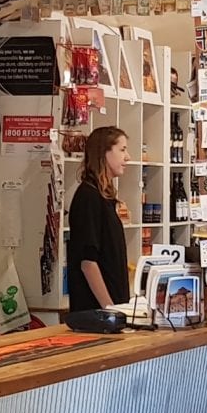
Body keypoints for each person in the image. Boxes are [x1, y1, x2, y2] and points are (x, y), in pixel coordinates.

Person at [68, 126, 131, 312]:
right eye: (122, 150)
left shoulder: (103, 197)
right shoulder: (89, 197)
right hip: (96, 313)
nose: (127, 157)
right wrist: (110, 309)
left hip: (112, 309)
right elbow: (88, 263)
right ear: (104, 152)